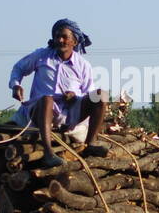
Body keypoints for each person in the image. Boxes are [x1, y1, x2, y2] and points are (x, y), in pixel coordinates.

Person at [9, 19, 109, 168]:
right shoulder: (42, 56)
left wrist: (76, 98)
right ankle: (49, 154)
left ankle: (90, 145)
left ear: (74, 42)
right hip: (40, 110)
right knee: (47, 99)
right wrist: (16, 85)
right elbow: (18, 68)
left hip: (69, 113)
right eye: (57, 37)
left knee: (101, 95)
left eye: (64, 37)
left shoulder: (83, 65)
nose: (60, 40)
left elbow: (88, 93)